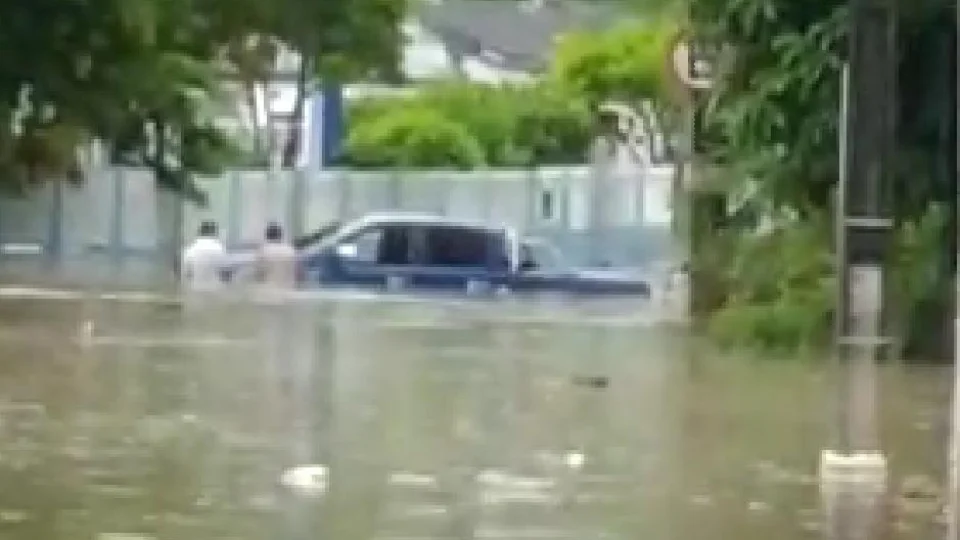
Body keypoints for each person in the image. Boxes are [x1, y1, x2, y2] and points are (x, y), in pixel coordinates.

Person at [181, 220, 227, 291]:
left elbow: (186, 272)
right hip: (215, 288)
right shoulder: (219, 248)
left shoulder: (191, 249)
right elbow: (224, 271)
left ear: (199, 232)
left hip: (195, 288)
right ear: (214, 233)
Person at [255, 222, 297, 289]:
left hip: (269, 290)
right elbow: (295, 272)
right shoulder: (290, 250)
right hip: (288, 289)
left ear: (267, 236)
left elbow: (259, 275)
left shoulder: (263, 251)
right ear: (281, 235)